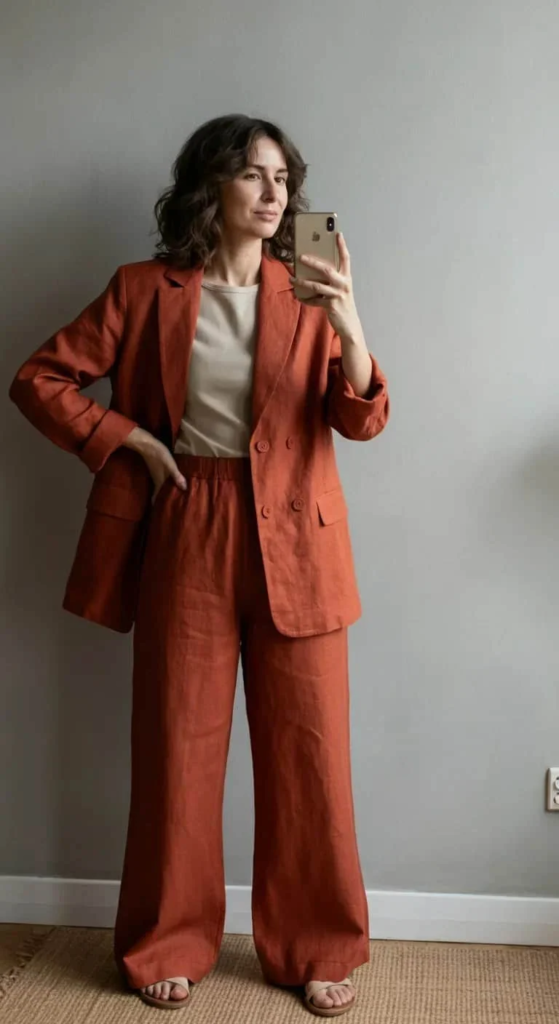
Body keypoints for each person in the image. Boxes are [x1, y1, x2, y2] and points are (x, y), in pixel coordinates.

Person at [9, 114, 390, 1016]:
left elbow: (361, 418)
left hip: (299, 536)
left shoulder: (309, 289)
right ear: (208, 186)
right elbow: (39, 380)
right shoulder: (143, 289)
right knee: (177, 751)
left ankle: (316, 944)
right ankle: (166, 940)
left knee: (310, 756)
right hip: (188, 522)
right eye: (251, 175)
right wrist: (129, 438)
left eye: (282, 179)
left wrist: (347, 320)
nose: (272, 194)